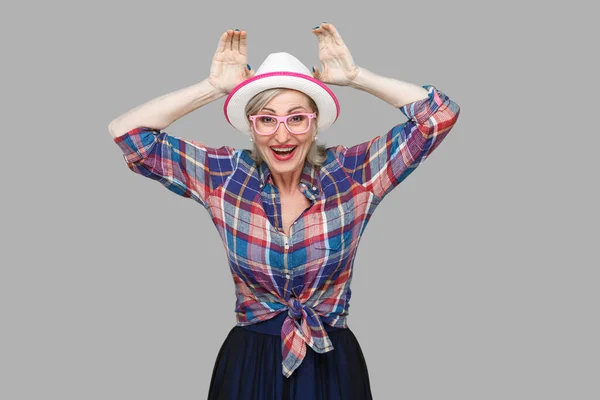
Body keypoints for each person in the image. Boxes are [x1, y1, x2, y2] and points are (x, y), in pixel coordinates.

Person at [109, 23, 460, 400]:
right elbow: (128, 133)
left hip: (331, 362)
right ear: (251, 125)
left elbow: (438, 115)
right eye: (266, 119)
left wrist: (356, 77)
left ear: (314, 125)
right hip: (250, 364)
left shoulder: (352, 174)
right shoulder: (225, 176)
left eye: (296, 118)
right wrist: (212, 88)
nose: (282, 135)